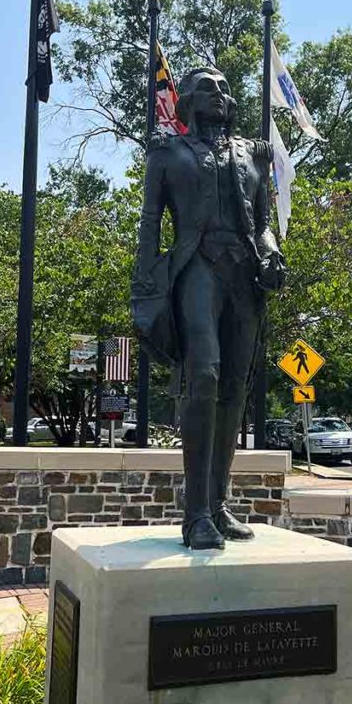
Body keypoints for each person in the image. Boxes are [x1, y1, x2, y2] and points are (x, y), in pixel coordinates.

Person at [132, 66, 285, 550]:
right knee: (204, 375)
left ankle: (218, 506)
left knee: (234, 389)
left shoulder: (253, 154)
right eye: (207, 88)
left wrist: (273, 250)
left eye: (223, 88)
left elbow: (262, 221)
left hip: (244, 274)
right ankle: (194, 512)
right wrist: (145, 283)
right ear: (188, 100)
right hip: (195, 266)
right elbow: (151, 221)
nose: (218, 95)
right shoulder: (167, 153)